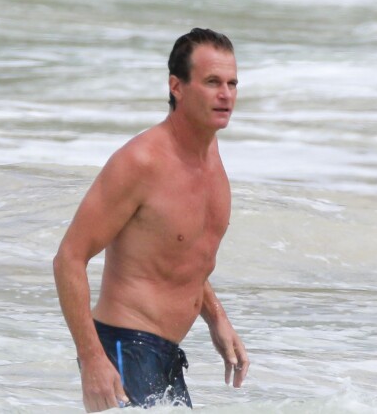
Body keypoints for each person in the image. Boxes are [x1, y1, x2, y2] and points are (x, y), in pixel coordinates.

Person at [53, 28, 249, 412]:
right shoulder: (141, 162)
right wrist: (93, 359)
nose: (226, 94)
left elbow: (180, 255)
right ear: (177, 86)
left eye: (232, 83)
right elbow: (68, 259)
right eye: (212, 82)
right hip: (123, 348)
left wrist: (217, 319)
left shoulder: (211, 160)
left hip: (165, 355)